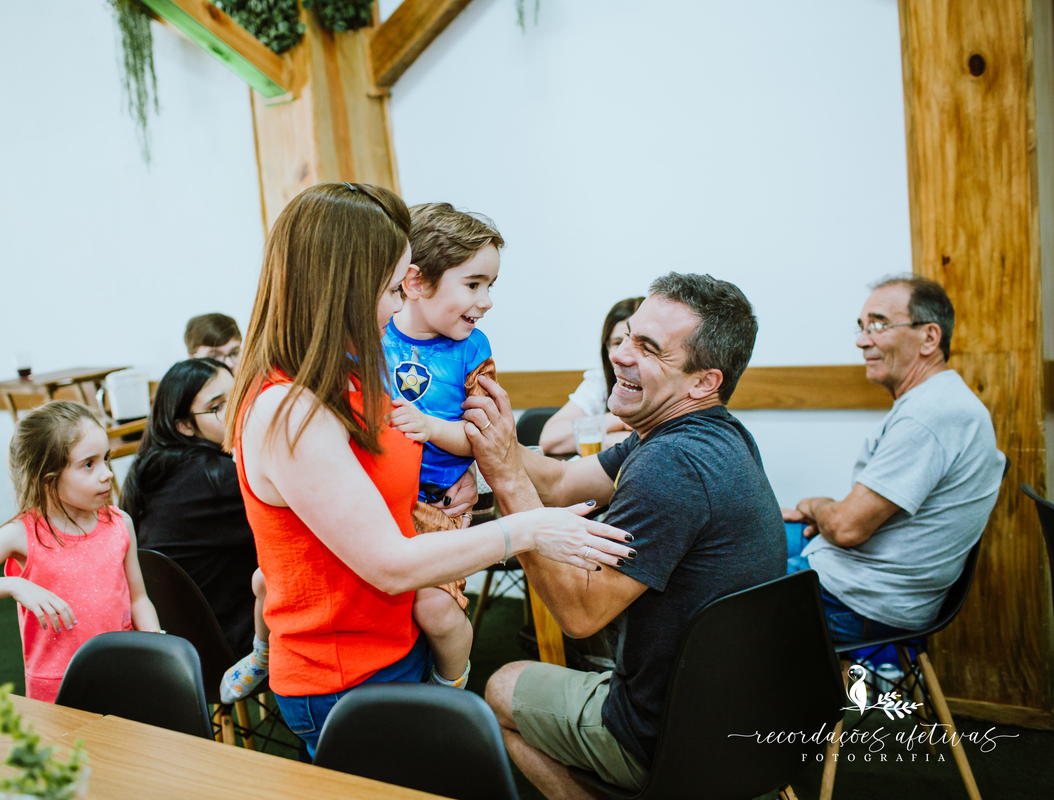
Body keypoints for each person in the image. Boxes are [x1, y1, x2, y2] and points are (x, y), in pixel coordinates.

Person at [218, 181, 632, 757]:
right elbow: (388, 563)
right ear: (342, 289)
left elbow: (401, 468)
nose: (395, 306)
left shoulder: (358, 374)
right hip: (346, 673)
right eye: (390, 288)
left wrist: (474, 482)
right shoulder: (289, 410)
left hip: (393, 640)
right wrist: (530, 528)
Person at [463, 273, 785, 798]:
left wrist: (503, 480)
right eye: (627, 336)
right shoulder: (706, 432)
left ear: (704, 381)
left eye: (649, 348)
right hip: (740, 711)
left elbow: (579, 613)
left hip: (668, 733)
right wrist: (486, 439)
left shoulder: (672, 464)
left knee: (498, 689)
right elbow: (564, 480)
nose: (621, 355)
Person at [783, 275, 1006, 643]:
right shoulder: (935, 401)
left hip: (857, 600)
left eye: (879, 325)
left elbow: (846, 528)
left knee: (708, 575)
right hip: (861, 579)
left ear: (929, 338)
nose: (862, 340)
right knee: (748, 538)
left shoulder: (931, 414)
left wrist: (816, 505)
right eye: (861, 327)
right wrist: (828, 516)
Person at [0, 401, 160, 702]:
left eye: (106, 458)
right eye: (89, 464)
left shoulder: (120, 524)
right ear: (47, 479)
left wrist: (157, 644)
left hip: (126, 671)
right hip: (56, 688)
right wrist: (15, 584)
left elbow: (139, 598)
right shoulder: (20, 535)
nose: (107, 474)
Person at [383, 201, 506, 689]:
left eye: (490, 286)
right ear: (414, 282)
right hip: (382, 502)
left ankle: (451, 688)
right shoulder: (372, 338)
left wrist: (431, 428)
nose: (487, 301)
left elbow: (482, 437)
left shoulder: (473, 349)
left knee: (434, 607)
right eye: (474, 284)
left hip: (439, 505)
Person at [120, 358, 259, 657]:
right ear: (184, 425)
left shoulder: (155, 466)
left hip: (181, 642)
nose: (237, 410)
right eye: (218, 406)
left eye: (238, 396)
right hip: (225, 643)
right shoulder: (213, 478)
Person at [538, 297, 643, 455]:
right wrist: (618, 421)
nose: (623, 353)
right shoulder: (600, 381)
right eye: (617, 343)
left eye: (637, 343)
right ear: (606, 348)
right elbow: (550, 439)